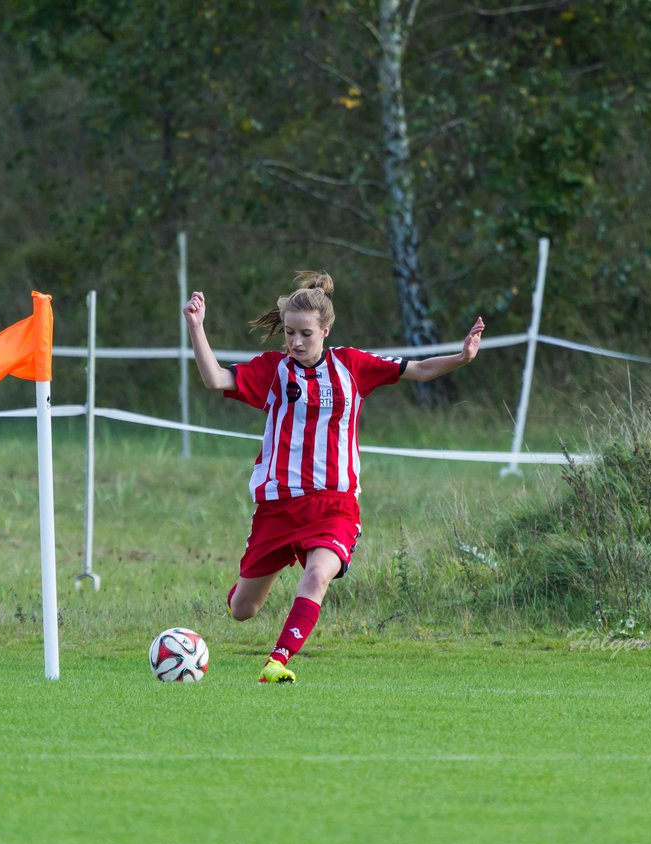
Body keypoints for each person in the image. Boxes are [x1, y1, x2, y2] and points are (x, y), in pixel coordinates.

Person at [183, 271, 485, 683]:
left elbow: (418, 369)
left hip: (334, 504)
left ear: (326, 329)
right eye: (289, 332)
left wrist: (462, 357)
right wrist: (196, 328)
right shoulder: (273, 370)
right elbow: (214, 378)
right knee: (243, 610)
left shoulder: (351, 365)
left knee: (318, 574)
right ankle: (248, 589)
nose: (295, 342)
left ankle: (277, 661)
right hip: (279, 506)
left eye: (305, 333)